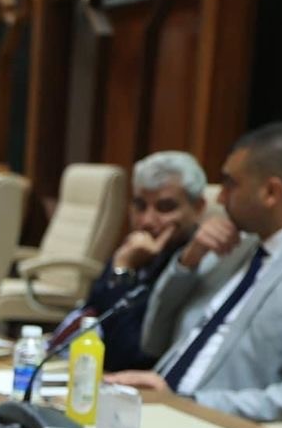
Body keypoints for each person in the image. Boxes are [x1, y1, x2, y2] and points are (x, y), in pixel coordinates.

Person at [104, 122, 282, 422]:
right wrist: (188, 261)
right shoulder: (238, 243)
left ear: (271, 192)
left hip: (215, 426)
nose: (220, 198)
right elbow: (153, 339)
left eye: (230, 184)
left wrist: (187, 403)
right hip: (154, 407)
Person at [54, 150, 216, 371]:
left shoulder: (193, 265)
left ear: (198, 208)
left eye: (165, 207)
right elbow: (94, 309)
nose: (147, 220)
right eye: (140, 206)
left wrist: (124, 269)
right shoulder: (138, 248)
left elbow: (125, 355)